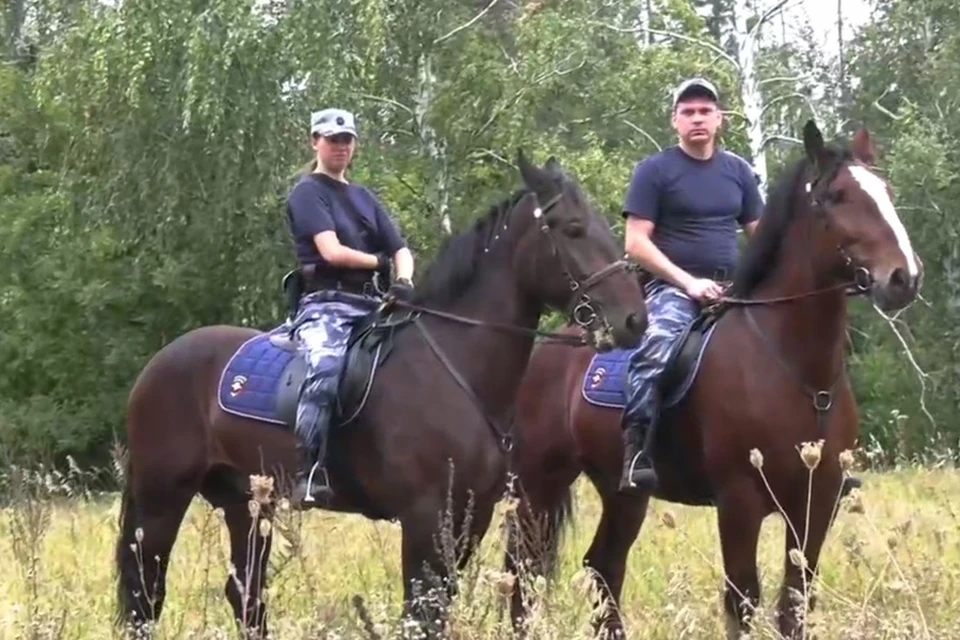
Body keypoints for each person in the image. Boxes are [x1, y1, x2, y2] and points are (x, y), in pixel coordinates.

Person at [618, 78, 763, 494]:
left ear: (720, 120)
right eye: (688, 112)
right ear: (675, 122)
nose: (697, 118)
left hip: (733, 290)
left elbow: (762, 235)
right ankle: (636, 451)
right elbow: (635, 243)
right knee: (655, 350)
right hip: (672, 289)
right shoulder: (655, 171)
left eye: (705, 111)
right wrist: (688, 283)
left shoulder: (739, 171)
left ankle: (821, 456)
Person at [286, 107, 415, 505]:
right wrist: (380, 264)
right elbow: (332, 251)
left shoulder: (363, 197)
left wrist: (406, 280)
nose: (340, 147)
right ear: (315, 142)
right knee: (325, 371)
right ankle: (307, 471)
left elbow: (401, 248)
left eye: (346, 140)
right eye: (331, 139)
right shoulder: (308, 192)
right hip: (326, 305)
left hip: (373, 304)